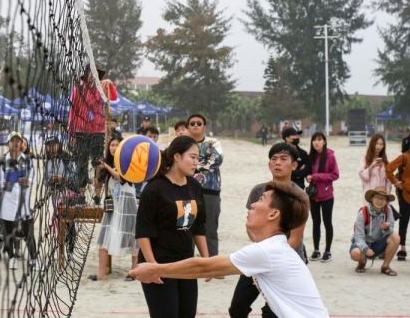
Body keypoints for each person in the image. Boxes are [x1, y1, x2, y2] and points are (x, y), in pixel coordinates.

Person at [130, 181, 328, 318]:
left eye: (261, 200)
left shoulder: (268, 251)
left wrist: (155, 269)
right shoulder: (274, 248)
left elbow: (204, 267)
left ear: (273, 214)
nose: (252, 204)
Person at [229, 142, 307, 318]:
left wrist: (273, 256)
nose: (277, 162)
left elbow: (295, 238)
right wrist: (261, 249)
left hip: (287, 261)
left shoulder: (300, 196)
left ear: (294, 165)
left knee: (273, 313)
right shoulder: (259, 191)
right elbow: (250, 226)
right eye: (274, 158)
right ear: (269, 164)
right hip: (260, 256)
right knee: (237, 308)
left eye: (283, 159)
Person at [135, 135, 208, 318]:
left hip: (186, 263)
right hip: (160, 262)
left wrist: (207, 261)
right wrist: (153, 267)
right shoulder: (154, 188)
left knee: (187, 314)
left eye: (197, 158)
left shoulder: (194, 186)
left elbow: (199, 227)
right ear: (177, 156)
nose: (196, 162)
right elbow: (143, 231)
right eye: (192, 157)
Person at [90, 136, 138, 281]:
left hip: (127, 204)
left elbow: (121, 178)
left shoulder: (128, 163)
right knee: (104, 237)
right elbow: (97, 187)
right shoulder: (107, 165)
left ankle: (134, 272)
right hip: (113, 204)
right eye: (112, 145)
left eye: (117, 145)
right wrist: (98, 171)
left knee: (132, 238)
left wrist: (106, 166)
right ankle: (101, 274)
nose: (114, 147)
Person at [68, 65, 112, 191]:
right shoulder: (78, 89)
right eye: (91, 72)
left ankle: (97, 193)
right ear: (86, 74)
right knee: (81, 163)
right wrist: (71, 134)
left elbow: (112, 98)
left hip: (98, 131)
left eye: (95, 73)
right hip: (81, 131)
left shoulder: (102, 89)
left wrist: (109, 84)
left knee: (99, 163)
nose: (93, 75)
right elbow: (72, 111)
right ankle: (81, 192)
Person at [0, 131, 36, 270]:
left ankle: (34, 259)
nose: (15, 144)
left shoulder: (28, 160)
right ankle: (12, 258)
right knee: (8, 233)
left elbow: (32, 180)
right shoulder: (2, 161)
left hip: (24, 204)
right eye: (12, 141)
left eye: (18, 141)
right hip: (7, 204)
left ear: (21, 144)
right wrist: (14, 181)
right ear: (8, 144)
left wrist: (24, 181)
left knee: (28, 233)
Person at [385, 131, 410, 262]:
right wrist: (396, 182)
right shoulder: (404, 157)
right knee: (404, 222)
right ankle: (402, 249)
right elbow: (388, 169)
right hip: (406, 195)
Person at [187, 113, 223, 257]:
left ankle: (212, 262)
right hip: (185, 191)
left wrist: (192, 165)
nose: (195, 125)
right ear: (188, 127)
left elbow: (217, 160)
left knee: (210, 230)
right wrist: (202, 163)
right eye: (192, 123)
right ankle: (186, 263)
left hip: (210, 192)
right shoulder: (182, 143)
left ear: (204, 127)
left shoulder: (213, 142)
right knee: (185, 228)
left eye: (199, 123)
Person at [349, 186, 400, 276]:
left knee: (396, 237)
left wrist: (386, 228)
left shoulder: (388, 210)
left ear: (386, 201)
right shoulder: (363, 212)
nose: (379, 201)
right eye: (377, 197)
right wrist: (365, 249)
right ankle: (362, 261)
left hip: (378, 244)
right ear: (372, 198)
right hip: (363, 243)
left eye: (383, 199)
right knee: (355, 253)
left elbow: (391, 229)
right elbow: (358, 237)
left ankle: (385, 267)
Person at [306, 131, 339, 262]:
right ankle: (316, 250)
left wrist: (316, 177)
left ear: (324, 142)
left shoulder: (330, 156)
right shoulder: (311, 156)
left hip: (327, 195)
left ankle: (328, 251)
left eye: (319, 140)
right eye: (314, 140)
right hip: (313, 195)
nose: (316, 142)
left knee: (327, 222)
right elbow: (307, 172)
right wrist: (307, 176)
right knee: (316, 222)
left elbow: (335, 175)